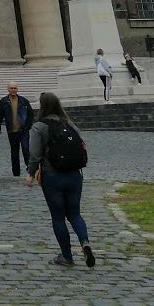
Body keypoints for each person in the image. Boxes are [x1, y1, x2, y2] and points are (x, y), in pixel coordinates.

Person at [26, 91, 95, 269]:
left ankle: (67, 256)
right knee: (74, 213)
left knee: (58, 217)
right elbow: (82, 144)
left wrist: (31, 173)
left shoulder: (39, 127)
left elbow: (34, 154)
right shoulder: (69, 123)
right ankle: (85, 242)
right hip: (74, 174)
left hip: (52, 175)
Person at [0, 81, 33, 177]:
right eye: (11, 88)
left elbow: (30, 114)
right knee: (14, 152)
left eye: (15, 88)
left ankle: (30, 170)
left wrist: (28, 126)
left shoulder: (24, 101)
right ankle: (16, 173)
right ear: (8, 89)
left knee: (26, 149)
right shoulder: (3, 101)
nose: (13, 90)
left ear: (17, 89)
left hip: (23, 130)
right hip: (12, 131)